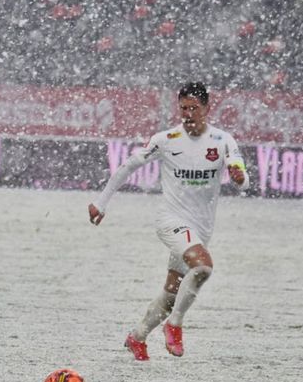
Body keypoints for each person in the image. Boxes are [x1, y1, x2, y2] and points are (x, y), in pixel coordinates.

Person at [88, 82, 248, 360]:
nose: (188, 114)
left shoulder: (223, 141)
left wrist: (239, 178)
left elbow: (243, 179)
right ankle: (174, 326)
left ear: (206, 109)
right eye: (183, 108)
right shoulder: (166, 139)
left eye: (194, 108)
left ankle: (137, 337)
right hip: (170, 220)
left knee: (172, 293)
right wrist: (101, 203)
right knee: (204, 267)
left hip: (201, 227)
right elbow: (128, 166)